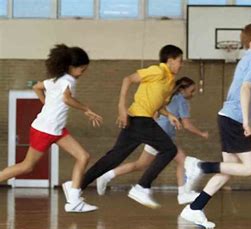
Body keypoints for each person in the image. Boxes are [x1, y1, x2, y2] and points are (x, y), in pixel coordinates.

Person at [179, 23, 251, 229]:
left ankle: (195, 208)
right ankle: (200, 166)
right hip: (234, 120)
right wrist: (246, 121)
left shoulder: (247, 60)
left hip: (227, 117)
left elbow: (242, 95)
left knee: (227, 171)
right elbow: (244, 89)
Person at [79, 44, 185, 209]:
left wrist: (169, 115)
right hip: (140, 119)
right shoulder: (157, 71)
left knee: (114, 158)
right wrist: (121, 107)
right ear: (170, 61)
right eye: (180, 61)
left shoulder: (169, 82)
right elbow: (127, 79)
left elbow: (157, 104)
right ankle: (142, 187)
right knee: (169, 149)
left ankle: (76, 186)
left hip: (137, 121)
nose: (181, 64)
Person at [0, 44, 103, 213]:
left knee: (83, 156)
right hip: (45, 130)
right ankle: (73, 192)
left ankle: (74, 197)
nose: (83, 73)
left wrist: (46, 103)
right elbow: (67, 99)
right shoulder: (68, 80)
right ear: (71, 67)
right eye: (82, 70)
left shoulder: (55, 80)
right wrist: (86, 109)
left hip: (57, 129)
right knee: (27, 166)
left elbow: (36, 87)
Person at [95, 76, 208, 205]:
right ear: (182, 90)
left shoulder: (169, 98)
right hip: (160, 137)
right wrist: (202, 133)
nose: (193, 94)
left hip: (160, 135)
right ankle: (182, 194)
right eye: (191, 91)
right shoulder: (181, 101)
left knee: (140, 165)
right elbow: (187, 124)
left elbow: (155, 112)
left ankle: (106, 175)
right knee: (182, 161)